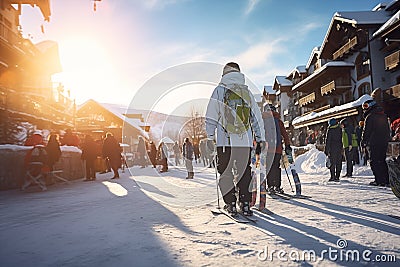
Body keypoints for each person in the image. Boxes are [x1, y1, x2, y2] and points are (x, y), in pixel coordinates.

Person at [205, 62, 265, 216]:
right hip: (244, 143)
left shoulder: (219, 90)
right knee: (245, 172)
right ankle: (245, 204)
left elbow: (211, 116)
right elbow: (256, 118)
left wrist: (210, 137)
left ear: (224, 73)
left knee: (225, 172)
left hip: (225, 142)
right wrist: (260, 138)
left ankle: (231, 204)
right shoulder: (247, 92)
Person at [261, 104, 291, 194]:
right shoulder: (278, 121)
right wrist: (287, 145)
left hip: (267, 149)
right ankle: (277, 186)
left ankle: (270, 186)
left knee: (269, 168)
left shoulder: (263, 121)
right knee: (276, 167)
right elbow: (285, 134)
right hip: (277, 149)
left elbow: (259, 134)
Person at [361, 99, 391, 186]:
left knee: (374, 161)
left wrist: (363, 141)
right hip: (383, 142)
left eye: (366, 106)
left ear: (371, 106)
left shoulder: (370, 116)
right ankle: (386, 179)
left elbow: (367, 131)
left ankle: (379, 180)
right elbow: (387, 130)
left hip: (374, 142)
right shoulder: (383, 115)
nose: (364, 109)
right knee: (381, 160)